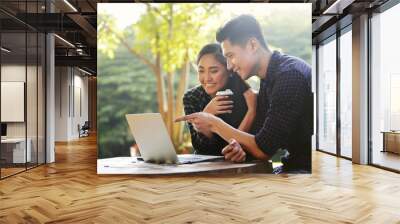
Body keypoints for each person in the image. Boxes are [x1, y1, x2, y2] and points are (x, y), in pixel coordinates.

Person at [176, 15, 313, 173]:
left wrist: (214, 123)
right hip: (292, 165)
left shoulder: (289, 75)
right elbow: (259, 138)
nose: (229, 65)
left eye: (230, 56)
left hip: (306, 170)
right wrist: (238, 149)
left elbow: (263, 149)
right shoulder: (268, 79)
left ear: (252, 45)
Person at [183, 43, 257, 158]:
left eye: (213, 71)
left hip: (243, 163)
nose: (206, 78)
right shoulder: (192, 97)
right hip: (206, 165)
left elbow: (240, 144)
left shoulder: (248, 96)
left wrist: (251, 112)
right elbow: (200, 147)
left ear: (229, 70)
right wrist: (206, 114)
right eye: (201, 71)